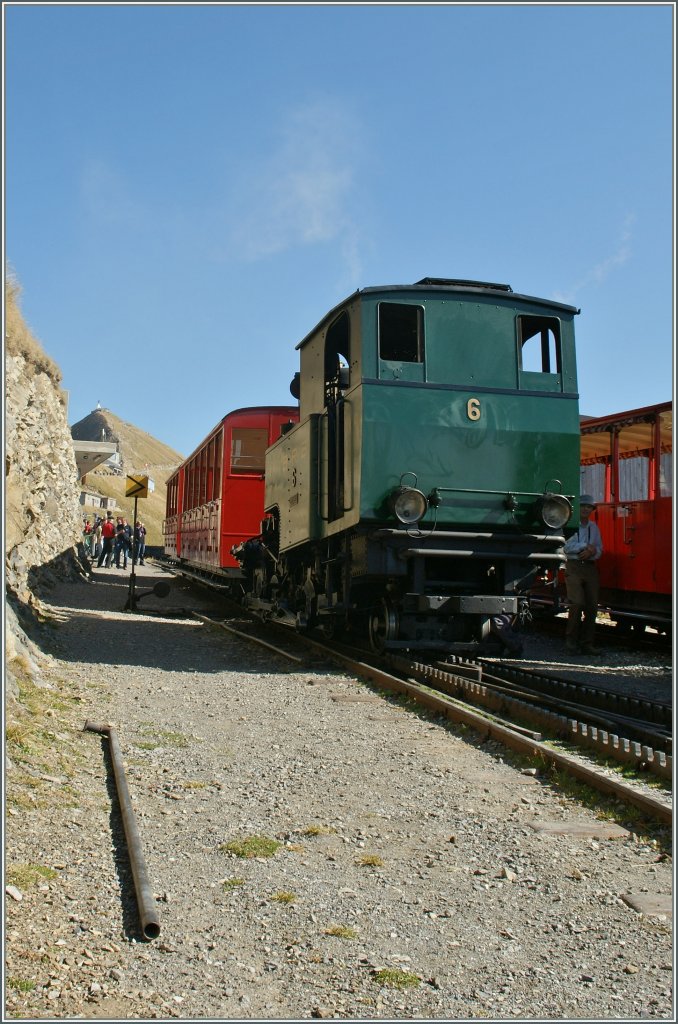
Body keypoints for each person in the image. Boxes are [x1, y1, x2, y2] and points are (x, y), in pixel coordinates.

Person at [563, 494, 603, 655]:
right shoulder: (571, 526)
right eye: (584, 506)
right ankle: (571, 641)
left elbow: (599, 548)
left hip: (590, 566)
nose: (587, 509)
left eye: (589, 507)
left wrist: (592, 552)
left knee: (593, 606)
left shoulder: (594, 527)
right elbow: (566, 547)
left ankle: (587, 643)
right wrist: (586, 547)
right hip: (573, 565)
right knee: (577, 603)